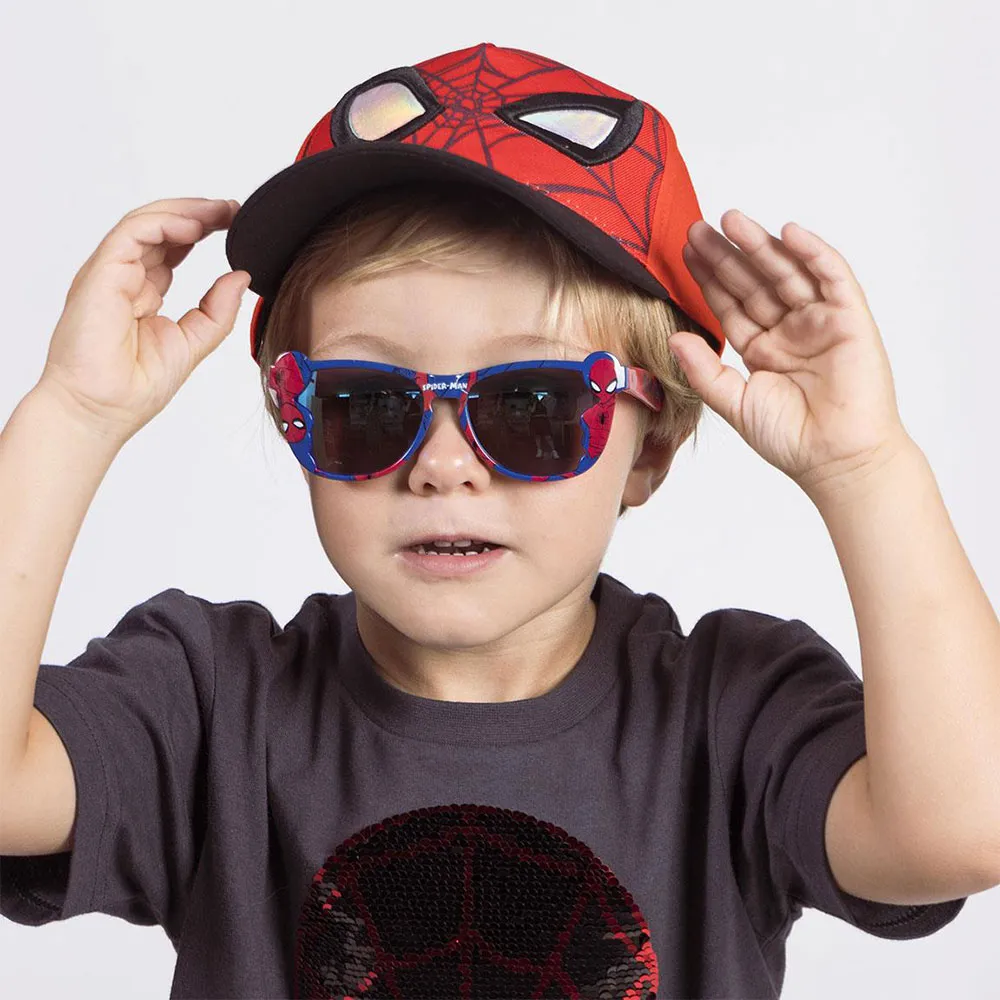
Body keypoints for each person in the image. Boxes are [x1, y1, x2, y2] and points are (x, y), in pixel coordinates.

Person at [1, 40, 998, 1000]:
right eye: (365, 404)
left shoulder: (730, 713)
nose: (443, 467)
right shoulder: (209, 701)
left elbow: (965, 827)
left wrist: (867, 471)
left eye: (532, 406)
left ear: (649, 449)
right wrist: (70, 417)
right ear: (294, 419)